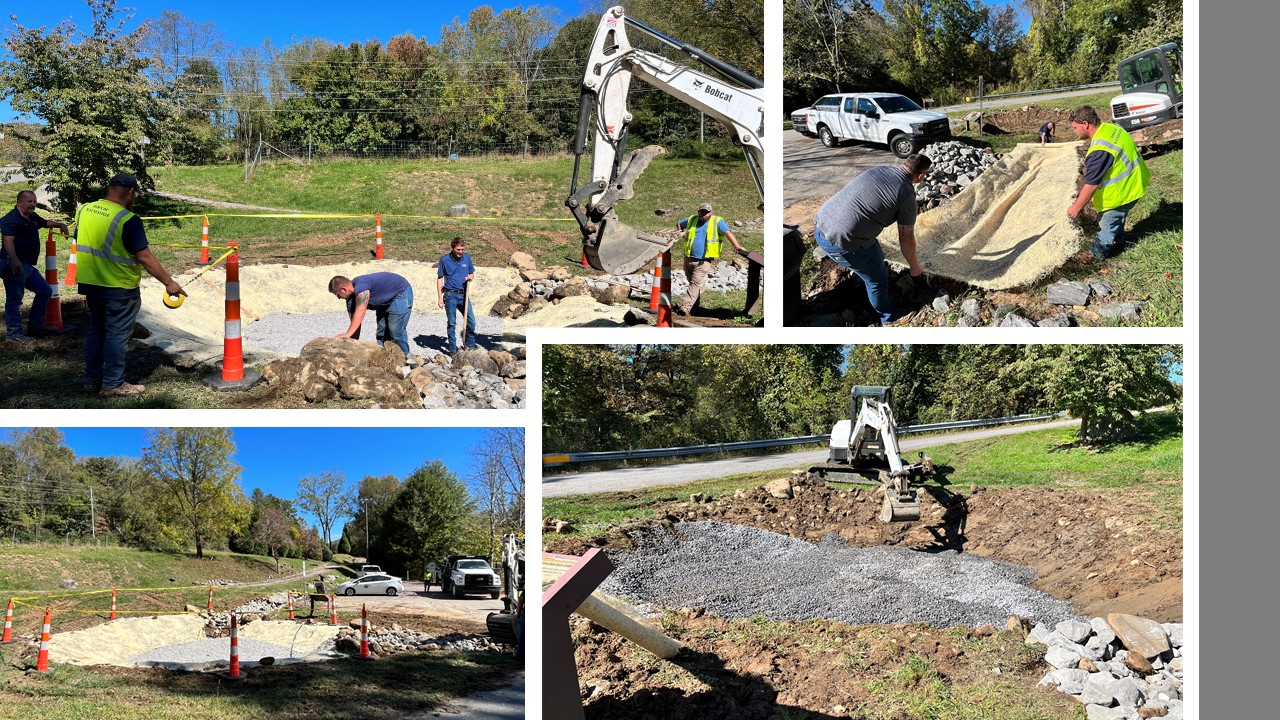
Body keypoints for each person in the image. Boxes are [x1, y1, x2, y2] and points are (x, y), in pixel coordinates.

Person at [75, 174, 184, 397]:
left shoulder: (84, 210)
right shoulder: (127, 219)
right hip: (119, 288)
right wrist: (169, 283)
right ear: (131, 192)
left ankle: (91, 380)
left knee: (97, 331)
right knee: (116, 336)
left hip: (91, 284)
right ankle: (113, 384)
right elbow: (144, 256)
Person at [812, 154, 932, 325]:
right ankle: (890, 318)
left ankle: (862, 271)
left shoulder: (878, 170)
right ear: (920, 175)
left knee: (873, 253)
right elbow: (906, 238)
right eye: (926, 174)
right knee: (877, 279)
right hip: (841, 242)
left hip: (821, 223)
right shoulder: (906, 196)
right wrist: (914, 267)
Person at [1066, 106, 1150, 259]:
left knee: (1107, 226)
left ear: (1085, 124)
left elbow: (1091, 185)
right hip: (1136, 181)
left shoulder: (1100, 150)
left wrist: (1076, 207)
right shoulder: (1112, 128)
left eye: (1075, 127)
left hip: (1121, 193)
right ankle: (1119, 243)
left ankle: (1097, 256)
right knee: (1117, 218)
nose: (1074, 131)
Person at [2, 190, 69, 341]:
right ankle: (14, 336)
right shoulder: (11, 219)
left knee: (44, 290)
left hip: (27, 265)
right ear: (19, 203)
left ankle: (35, 327)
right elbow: (8, 241)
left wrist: (60, 224)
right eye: (29, 201)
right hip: (12, 264)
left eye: (34, 201)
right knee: (14, 299)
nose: (32, 204)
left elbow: (44, 223)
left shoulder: (31, 217)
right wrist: (14, 260)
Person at [675, 202, 745, 315]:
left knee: (695, 282)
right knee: (693, 283)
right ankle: (694, 307)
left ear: (711, 212)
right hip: (688, 258)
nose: (703, 214)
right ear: (698, 211)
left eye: (706, 212)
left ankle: (686, 307)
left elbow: (728, 233)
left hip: (704, 260)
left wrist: (737, 246)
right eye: (701, 212)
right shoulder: (692, 219)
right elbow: (679, 224)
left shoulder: (717, 221)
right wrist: (679, 234)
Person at [327, 271, 414, 358]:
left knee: (395, 330)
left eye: (338, 295)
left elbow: (360, 312)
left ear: (343, 290)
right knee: (382, 331)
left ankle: (405, 359)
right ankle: (386, 358)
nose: (338, 298)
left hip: (399, 293)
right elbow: (355, 324)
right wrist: (351, 345)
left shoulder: (362, 288)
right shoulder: (350, 300)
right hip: (384, 300)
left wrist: (347, 334)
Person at [436, 237, 477, 353]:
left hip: (464, 294)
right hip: (450, 295)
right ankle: (453, 350)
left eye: (462, 249)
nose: (460, 252)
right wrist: (440, 298)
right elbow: (439, 278)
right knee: (452, 323)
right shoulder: (444, 260)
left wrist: (470, 277)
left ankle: (470, 346)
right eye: (458, 249)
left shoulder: (467, 258)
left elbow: (471, 273)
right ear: (453, 248)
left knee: (471, 321)